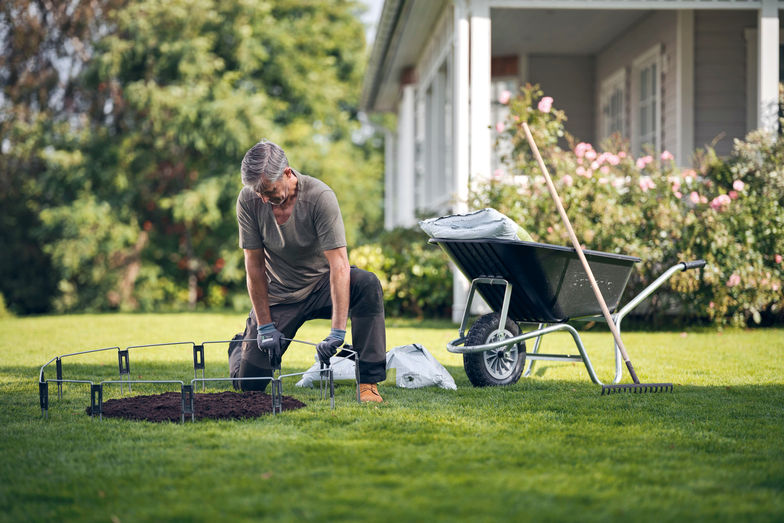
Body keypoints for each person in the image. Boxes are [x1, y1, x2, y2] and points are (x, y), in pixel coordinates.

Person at [228, 140, 386, 402]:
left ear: (287, 173)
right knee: (249, 386)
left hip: (322, 286)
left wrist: (337, 333)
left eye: (269, 190)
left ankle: (368, 383)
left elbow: (339, 266)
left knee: (366, 284)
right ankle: (239, 345)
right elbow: (254, 266)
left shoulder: (319, 197)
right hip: (280, 294)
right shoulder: (248, 200)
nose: (264, 199)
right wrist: (265, 327)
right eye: (259, 193)